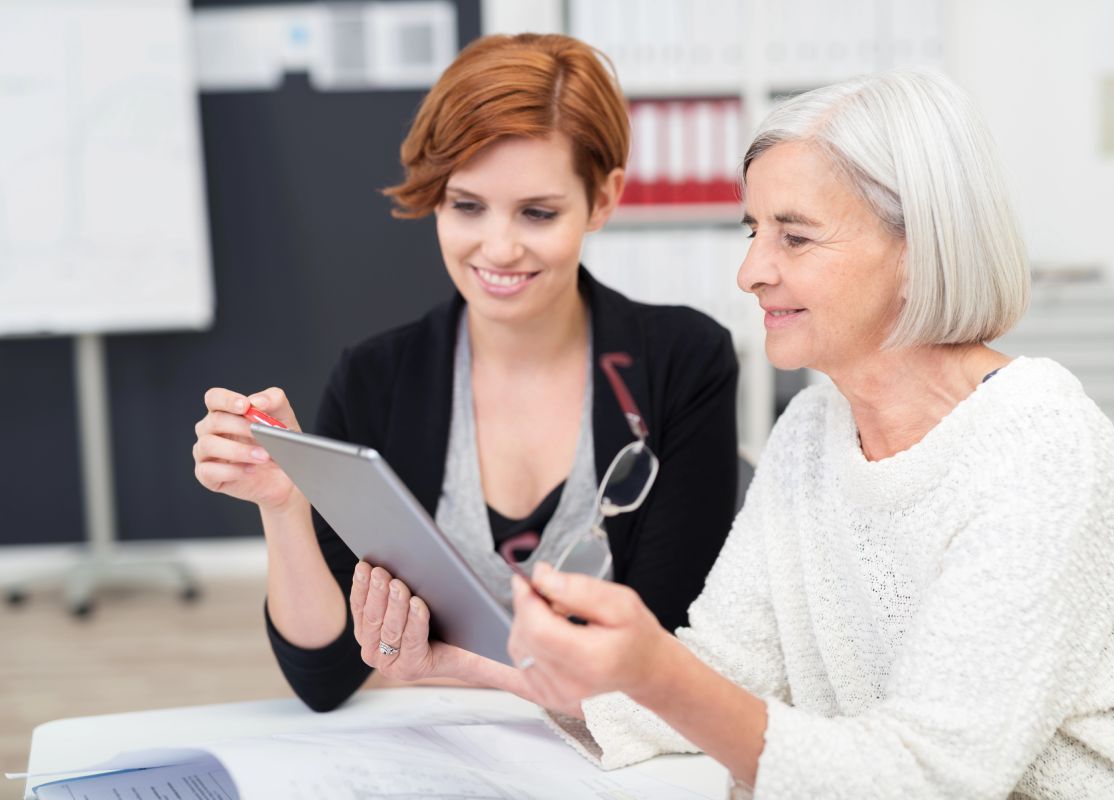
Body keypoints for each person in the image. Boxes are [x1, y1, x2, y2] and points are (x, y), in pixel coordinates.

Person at [503, 69, 1114, 799]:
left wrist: (656, 671)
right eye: (753, 231)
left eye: (795, 237)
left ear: (917, 249)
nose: (750, 271)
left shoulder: (1041, 447)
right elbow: (732, 667)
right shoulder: (811, 431)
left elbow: (930, 777)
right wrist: (492, 669)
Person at [191, 33, 738, 713]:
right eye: (467, 205)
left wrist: (455, 668)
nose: (499, 248)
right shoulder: (374, 381)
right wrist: (284, 507)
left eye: (538, 212)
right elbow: (324, 677)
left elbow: (662, 656)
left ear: (603, 199)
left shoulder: (683, 362)